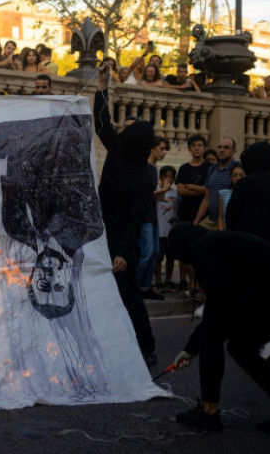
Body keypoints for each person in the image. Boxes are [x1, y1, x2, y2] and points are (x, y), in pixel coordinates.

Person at [168, 225, 270, 433]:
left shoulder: (203, 249)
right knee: (241, 347)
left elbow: (217, 307)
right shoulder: (217, 243)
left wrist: (192, 348)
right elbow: (223, 303)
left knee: (211, 336)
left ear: (182, 248)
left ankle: (209, 411)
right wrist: (190, 349)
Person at [94, 65, 158, 366]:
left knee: (129, 294)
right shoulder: (119, 151)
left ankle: (146, 346)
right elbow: (102, 122)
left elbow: (137, 218)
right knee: (100, 291)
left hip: (121, 241)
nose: (123, 134)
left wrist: (123, 253)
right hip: (100, 231)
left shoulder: (145, 177)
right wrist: (102, 85)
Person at [225, 141, 270, 362]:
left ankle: (264, 342)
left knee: (251, 301)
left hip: (250, 252)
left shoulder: (244, 185)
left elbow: (231, 219)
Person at [174, 134, 210, 294]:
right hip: (185, 214)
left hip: (203, 216)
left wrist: (191, 186)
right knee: (186, 251)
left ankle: (201, 283)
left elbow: (208, 191)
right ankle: (191, 282)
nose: (196, 148)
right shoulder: (184, 168)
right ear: (189, 148)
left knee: (202, 252)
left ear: (204, 148)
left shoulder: (210, 168)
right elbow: (181, 191)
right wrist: (200, 189)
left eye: (199, 145)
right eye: (194, 145)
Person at [138, 137, 168, 300]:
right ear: (152, 148)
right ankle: (137, 287)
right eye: (162, 148)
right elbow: (142, 194)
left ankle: (145, 286)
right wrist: (162, 190)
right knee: (147, 253)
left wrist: (161, 192)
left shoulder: (154, 168)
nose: (164, 152)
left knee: (155, 253)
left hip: (152, 216)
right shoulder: (144, 167)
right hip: (144, 217)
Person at [193, 137, 238, 230]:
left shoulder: (237, 169)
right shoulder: (212, 169)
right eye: (220, 147)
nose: (222, 150)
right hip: (211, 220)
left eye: (226, 147)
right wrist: (196, 222)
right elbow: (207, 198)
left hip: (228, 222)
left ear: (234, 151)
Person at [153, 165, 178, 290]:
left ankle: (168, 279)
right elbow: (155, 197)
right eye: (165, 176)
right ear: (160, 177)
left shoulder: (176, 192)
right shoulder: (157, 189)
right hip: (160, 230)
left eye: (171, 177)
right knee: (158, 257)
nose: (168, 179)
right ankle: (158, 281)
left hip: (172, 231)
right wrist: (163, 189)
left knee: (171, 257)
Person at [216, 163, 244, 230]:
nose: (238, 178)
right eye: (235, 175)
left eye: (241, 175)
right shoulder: (223, 193)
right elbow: (220, 217)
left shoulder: (250, 194)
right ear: (230, 178)